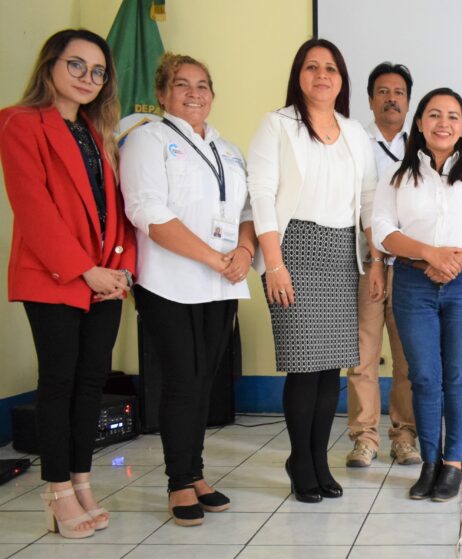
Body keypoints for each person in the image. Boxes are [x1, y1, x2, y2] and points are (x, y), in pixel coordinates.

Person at [0, 28, 134, 539]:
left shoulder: (101, 132)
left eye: (98, 71)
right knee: (59, 383)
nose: (87, 78)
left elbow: (117, 212)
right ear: (50, 65)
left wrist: (121, 270)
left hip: (106, 281)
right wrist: (84, 270)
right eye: (76, 65)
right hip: (55, 278)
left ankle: (82, 481)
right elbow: (33, 210)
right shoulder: (19, 123)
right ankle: (56, 490)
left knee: (90, 385)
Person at [120, 52, 254, 526]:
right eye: (182, 84)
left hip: (221, 284)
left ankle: (195, 472)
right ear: (162, 94)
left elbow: (245, 213)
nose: (194, 93)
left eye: (203, 85)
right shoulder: (146, 141)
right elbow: (149, 213)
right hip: (168, 282)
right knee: (180, 381)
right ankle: (178, 482)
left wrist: (241, 252)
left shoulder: (229, 149)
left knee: (203, 382)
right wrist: (215, 258)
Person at [247, 38, 378, 503]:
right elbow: (260, 194)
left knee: (329, 371)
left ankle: (319, 459)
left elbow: (368, 201)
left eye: (331, 68)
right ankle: (300, 461)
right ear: (298, 75)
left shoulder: (354, 132)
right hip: (293, 248)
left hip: (342, 251)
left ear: (341, 79)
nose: (322, 75)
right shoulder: (276, 125)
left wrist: (375, 259)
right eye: (312, 67)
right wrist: (275, 262)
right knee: (304, 367)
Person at [372, 87, 462, 501]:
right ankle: (429, 462)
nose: (443, 123)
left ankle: (453, 464)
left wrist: (458, 260)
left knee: (457, 375)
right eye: (434, 115)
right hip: (414, 284)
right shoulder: (396, 176)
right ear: (420, 123)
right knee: (425, 377)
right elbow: (382, 230)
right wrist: (428, 254)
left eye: (453, 116)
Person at [346, 61, 420, 468]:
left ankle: (404, 435)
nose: (392, 99)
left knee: (408, 357)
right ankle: (365, 437)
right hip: (365, 263)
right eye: (383, 92)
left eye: (400, 93)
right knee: (362, 354)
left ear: (408, 101)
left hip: (410, 266)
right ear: (371, 99)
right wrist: (376, 257)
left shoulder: (422, 144)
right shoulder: (355, 141)